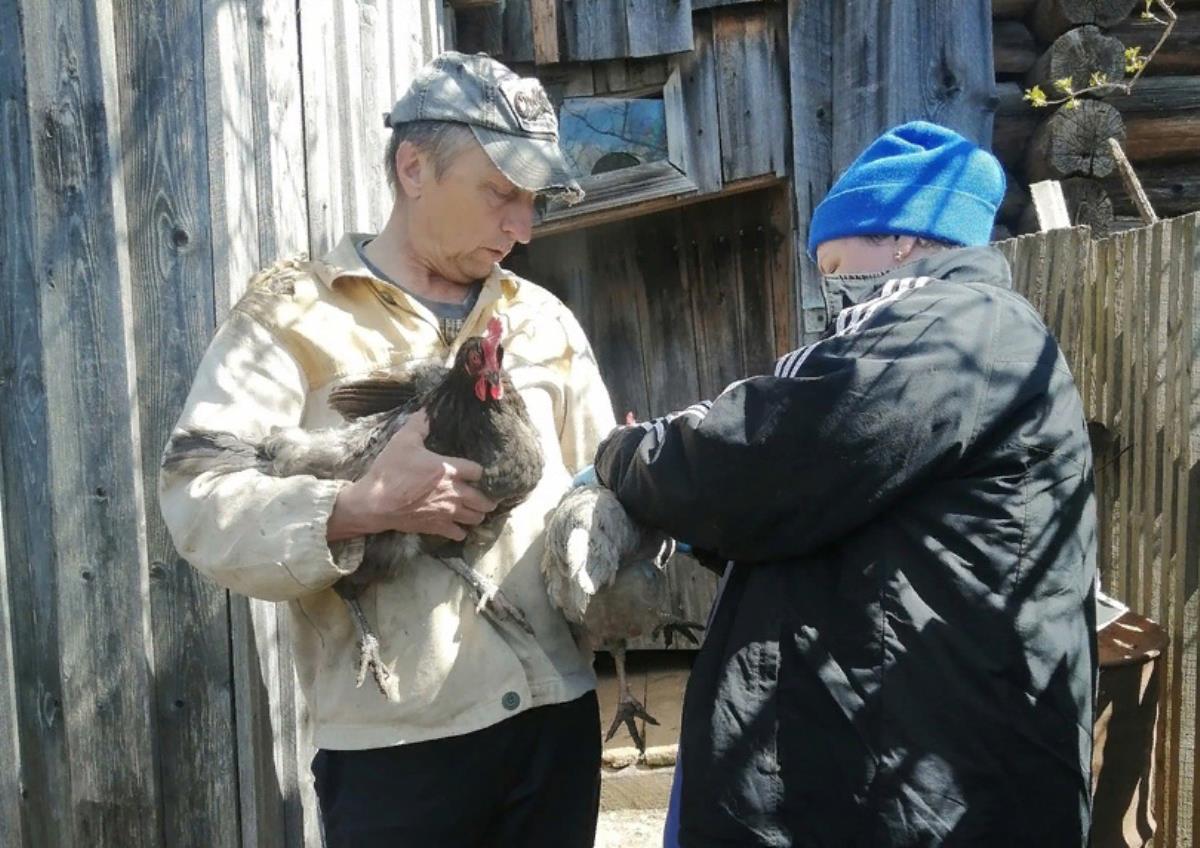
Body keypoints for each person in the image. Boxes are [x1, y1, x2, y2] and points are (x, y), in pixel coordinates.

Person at [594, 121, 1098, 847]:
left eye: (832, 260)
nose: (828, 285)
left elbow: (761, 463)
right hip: (914, 749)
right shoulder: (961, 332)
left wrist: (624, 457)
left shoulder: (955, 328)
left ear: (902, 238)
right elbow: (837, 518)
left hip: (933, 775)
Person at [159, 52, 616, 847]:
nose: (523, 226)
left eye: (532, 201)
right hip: (399, 747)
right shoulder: (291, 316)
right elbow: (198, 497)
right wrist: (358, 506)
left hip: (557, 719)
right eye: (500, 193)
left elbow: (596, 477)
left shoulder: (541, 319)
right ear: (413, 167)